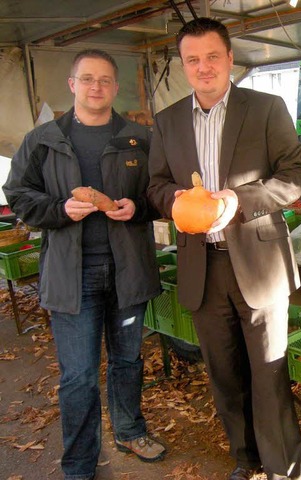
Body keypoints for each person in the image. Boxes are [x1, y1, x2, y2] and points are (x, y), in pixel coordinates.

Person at [146, 18, 301, 480]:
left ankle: (285, 469)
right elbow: (155, 185)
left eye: (212, 56)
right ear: (183, 65)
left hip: (258, 262)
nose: (203, 67)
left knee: (270, 372)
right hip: (203, 265)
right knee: (224, 376)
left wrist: (240, 200)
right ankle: (246, 459)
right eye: (193, 59)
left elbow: (297, 177)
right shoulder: (168, 120)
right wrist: (174, 200)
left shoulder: (264, 108)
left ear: (230, 59)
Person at [3, 49, 165, 480]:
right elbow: (18, 195)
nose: (97, 87)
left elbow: (161, 192)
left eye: (106, 80)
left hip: (128, 268)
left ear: (115, 87)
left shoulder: (139, 137)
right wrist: (60, 210)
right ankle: (79, 460)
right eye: (88, 79)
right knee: (78, 376)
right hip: (71, 275)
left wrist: (139, 207)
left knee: (128, 360)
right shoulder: (42, 139)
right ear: (72, 84)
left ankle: (130, 430)